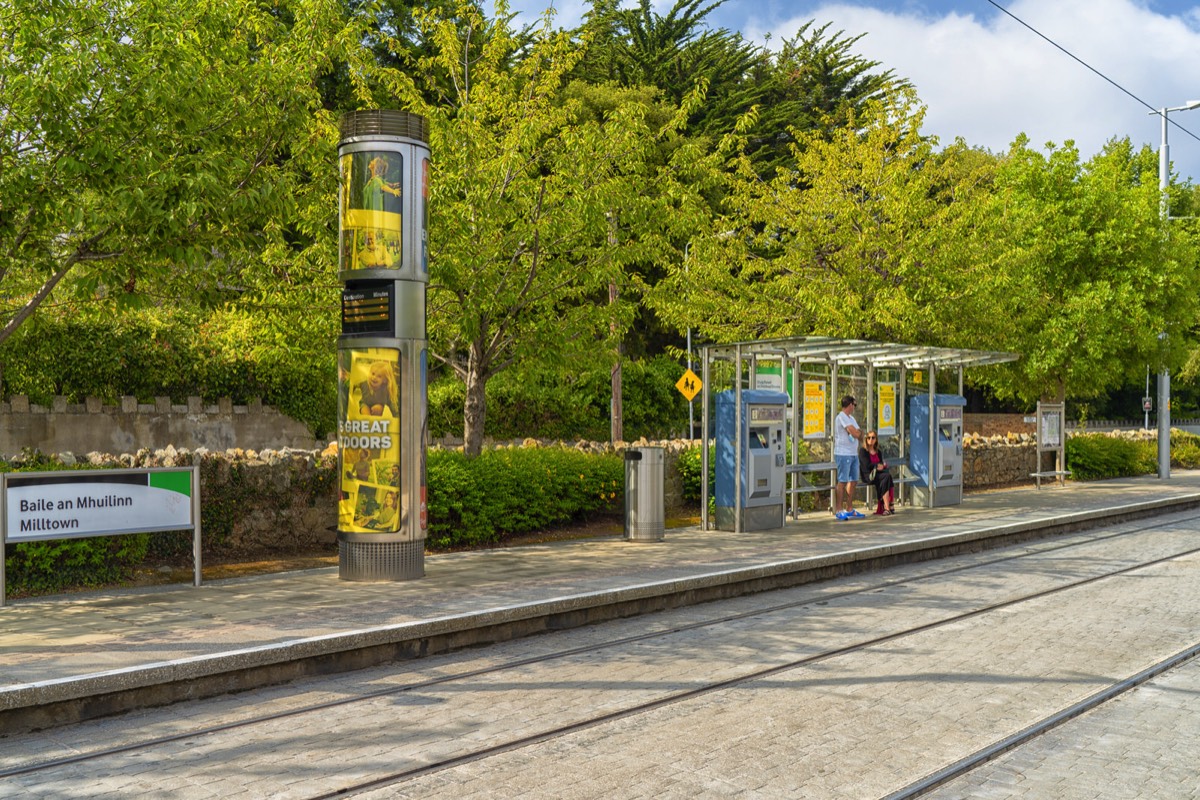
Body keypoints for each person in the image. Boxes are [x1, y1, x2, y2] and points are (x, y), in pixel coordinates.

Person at [834, 395, 864, 520]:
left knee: (853, 480)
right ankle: (839, 509)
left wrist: (857, 433)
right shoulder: (841, 417)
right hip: (843, 453)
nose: (854, 407)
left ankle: (849, 508)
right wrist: (857, 433)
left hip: (853, 453)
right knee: (842, 481)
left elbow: (860, 433)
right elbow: (856, 433)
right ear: (850, 405)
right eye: (854, 405)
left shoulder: (851, 418)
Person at [858, 431, 896, 516]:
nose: (871, 439)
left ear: (876, 439)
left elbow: (881, 463)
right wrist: (876, 465)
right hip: (869, 475)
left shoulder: (878, 451)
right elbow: (866, 465)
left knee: (887, 477)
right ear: (866, 439)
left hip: (879, 474)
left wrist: (882, 465)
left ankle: (887, 507)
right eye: (869, 438)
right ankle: (889, 506)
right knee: (886, 477)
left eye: (873, 438)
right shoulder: (863, 451)